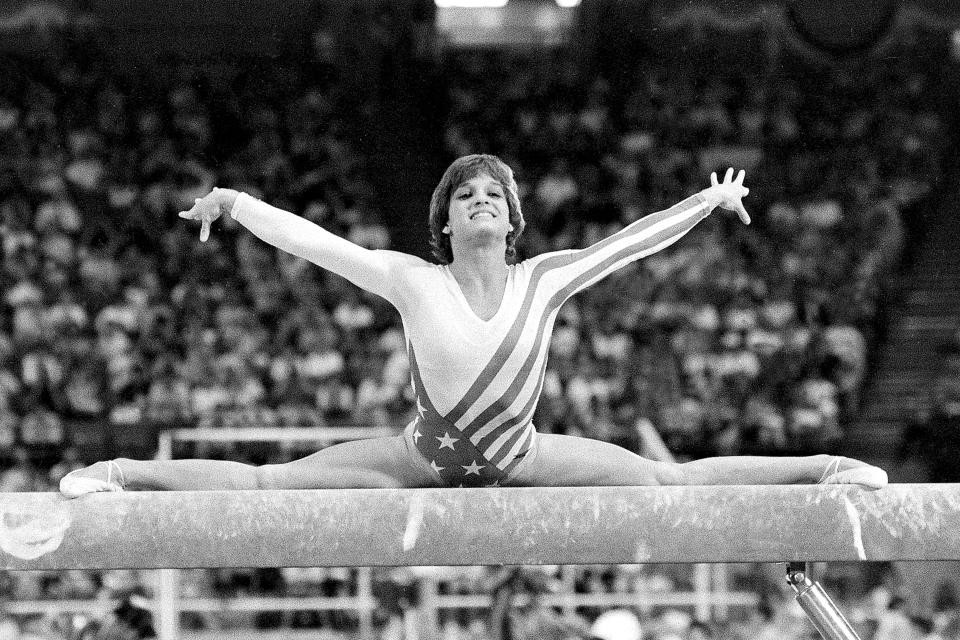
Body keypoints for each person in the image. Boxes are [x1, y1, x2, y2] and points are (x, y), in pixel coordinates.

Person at [60, 154, 887, 496]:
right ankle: (119, 474)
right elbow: (315, 244)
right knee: (273, 485)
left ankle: (828, 467)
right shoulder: (410, 280)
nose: (480, 199)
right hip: (420, 455)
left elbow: (629, 244)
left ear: (514, 220)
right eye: (465, 195)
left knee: (665, 482)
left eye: (494, 193)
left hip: (525, 456)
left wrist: (707, 202)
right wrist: (237, 204)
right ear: (446, 224)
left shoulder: (546, 279)